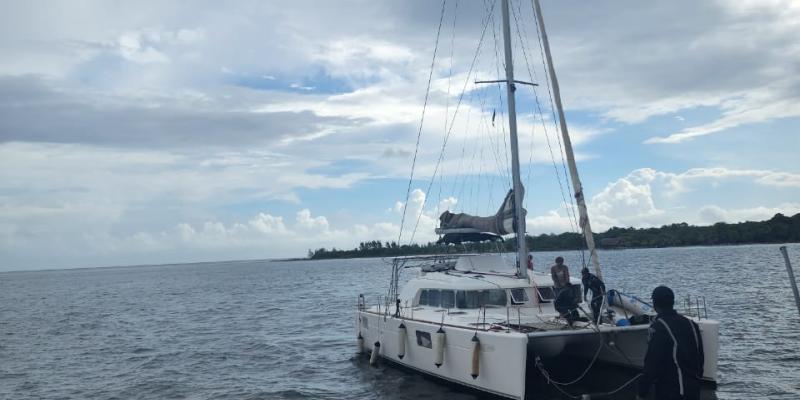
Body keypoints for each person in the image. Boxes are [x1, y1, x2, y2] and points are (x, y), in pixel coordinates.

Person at [637, 286, 704, 400]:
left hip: (671, 392)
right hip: (694, 390)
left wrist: (642, 392)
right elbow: (700, 357)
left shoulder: (659, 327)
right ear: (672, 302)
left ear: (655, 304)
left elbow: (651, 363)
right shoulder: (692, 324)